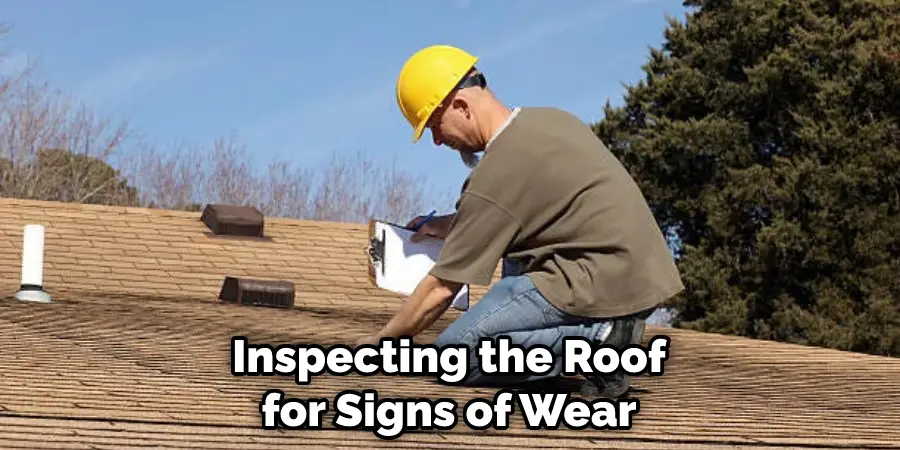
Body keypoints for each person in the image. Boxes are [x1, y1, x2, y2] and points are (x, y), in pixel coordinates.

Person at [355, 44, 684, 398]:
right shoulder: (547, 121)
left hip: (596, 281)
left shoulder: (497, 171)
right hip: (635, 274)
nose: (437, 141)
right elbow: (515, 212)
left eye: (435, 125)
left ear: (461, 107)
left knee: (454, 355)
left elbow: (441, 288)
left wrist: (382, 342)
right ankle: (560, 359)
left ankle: (599, 341)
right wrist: (449, 224)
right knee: (513, 253)